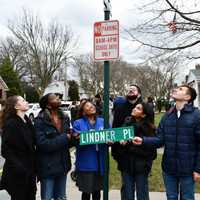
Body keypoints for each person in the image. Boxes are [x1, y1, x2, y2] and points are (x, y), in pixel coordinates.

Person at [133, 85, 200, 200]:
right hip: (169, 168)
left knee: (188, 197)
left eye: (180, 89)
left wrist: (198, 169)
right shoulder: (167, 116)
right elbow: (160, 140)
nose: (176, 90)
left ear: (188, 97)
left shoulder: (197, 116)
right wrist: (143, 140)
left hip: (188, 169)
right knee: (171, 197)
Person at [34, 93, 72, 200]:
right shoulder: (39, 121)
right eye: (55, 98)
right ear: (48, 105)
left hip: (63, 165)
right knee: (47, 197)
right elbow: (43, 145)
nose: (59, 99)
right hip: (48, 168)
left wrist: (74, 138)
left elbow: (68, 142)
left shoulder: (65, 118)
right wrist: (65, 137)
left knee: (61, 197)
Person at [0, 96, 37, 200]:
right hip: (18, 174)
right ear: (16, 106)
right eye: (23, 100)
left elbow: (34, 141)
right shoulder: (11, 124)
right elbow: (5, 150)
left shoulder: (27, 120)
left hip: (30, 172)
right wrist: (20, 168)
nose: (27, 101)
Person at [119, 102, 156, 200]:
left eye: (138, 108)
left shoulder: (149, 129)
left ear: (143, 114)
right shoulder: (127, 122)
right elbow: (120, 139)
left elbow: (151, 152)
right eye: (135, 107)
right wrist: (121, 142)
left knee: (142, 194)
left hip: (142, 166)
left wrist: (130, 145)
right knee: (127, 193)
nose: (134, 109)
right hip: (126, 165)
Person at [111, 84, 143, 200]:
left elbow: (149, 130)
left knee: (142, 188)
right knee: (126, 187)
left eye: (133, 89)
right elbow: (115, 130)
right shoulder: (119, 108)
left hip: (140, 155)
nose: (130, 90)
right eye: (129, 89)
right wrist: (116, 149)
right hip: (124, 154)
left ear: (138, 94)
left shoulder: (144, 107)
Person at [72, 100, 106, 200]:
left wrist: (109, 142)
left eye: (92, 105)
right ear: (83, 111)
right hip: (86, 162)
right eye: (87, 106)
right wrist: (79, 138)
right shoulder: (78, 123)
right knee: (86, 192)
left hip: (99, 162)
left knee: (97, 191)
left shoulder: (102, 121)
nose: (91, 107)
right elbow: (76, 142)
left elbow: (109, 136)